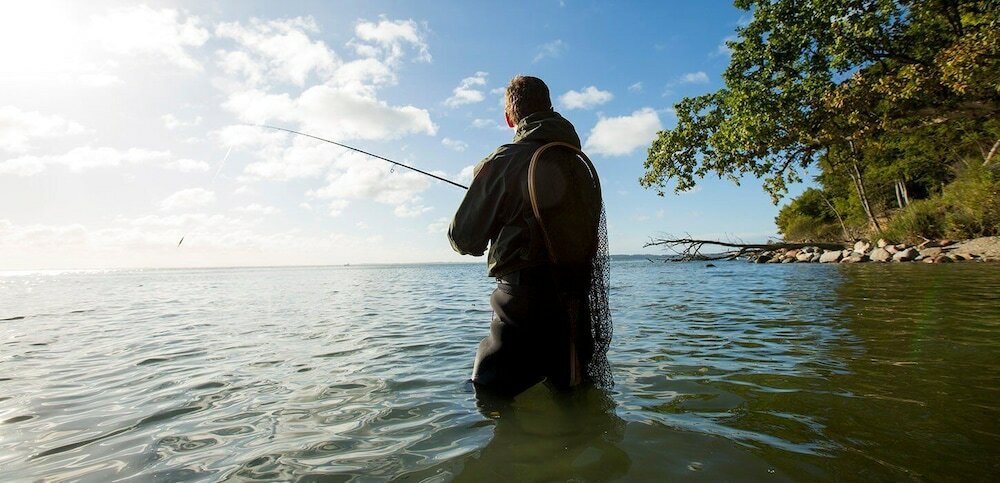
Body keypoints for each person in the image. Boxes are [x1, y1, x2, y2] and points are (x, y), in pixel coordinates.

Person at [449, 75, 612, 399]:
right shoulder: (580, 165)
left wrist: (483, 181)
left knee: (485, 396)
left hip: (521, 312)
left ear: (510, 117)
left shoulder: (504, 161)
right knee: (576, 405)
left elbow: (464, 239)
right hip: (575, 314)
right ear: (550, 107)